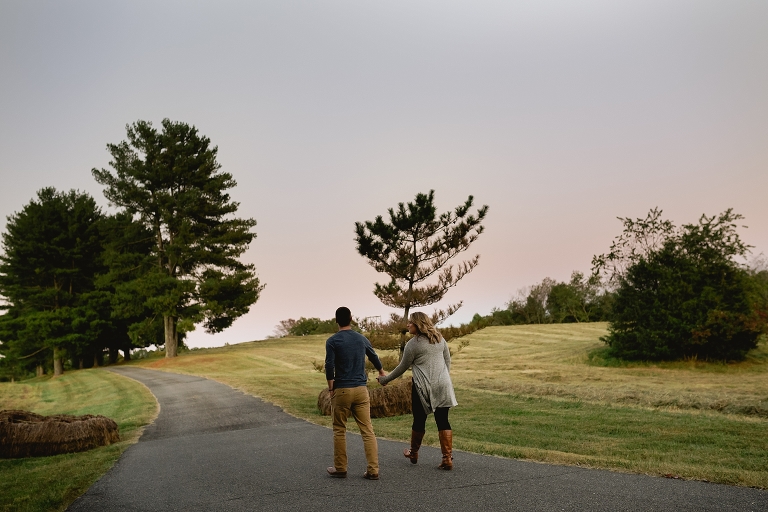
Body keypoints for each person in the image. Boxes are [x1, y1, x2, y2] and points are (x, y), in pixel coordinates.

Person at [377, 311, 458, 470]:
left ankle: (413, 453)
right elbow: (447, 361)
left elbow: (402, 367)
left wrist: (385, 379)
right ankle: (447, 458)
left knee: (419, 420)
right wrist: (442, 379)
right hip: (443, 384)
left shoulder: (413, 344)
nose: (407, 325)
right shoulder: (440, 339)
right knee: (443, 421)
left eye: (410, 323)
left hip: (422, 387)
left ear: (418, 324)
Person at [325, 306, 386, 480]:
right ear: (351, 319)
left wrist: (331, 388)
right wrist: (381, 372)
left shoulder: (332, 341)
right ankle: (373, 470)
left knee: (339, 429)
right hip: (361, 390)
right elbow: (373, 356)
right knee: (367, 430)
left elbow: (329, 365)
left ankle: (340, 468)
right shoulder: (361, 338)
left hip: (342, 389)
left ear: (336, 320)